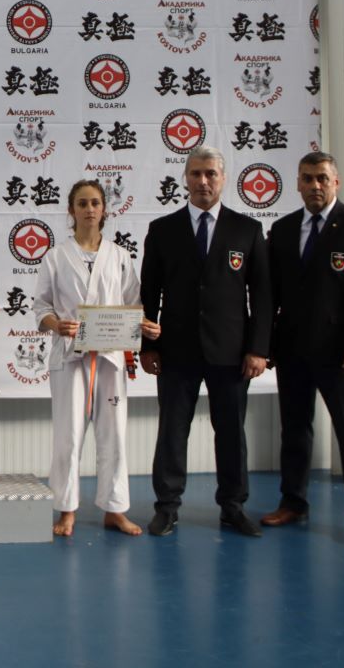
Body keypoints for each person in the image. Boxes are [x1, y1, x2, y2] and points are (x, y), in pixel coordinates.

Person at [140, 146, 272, 537]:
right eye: (196, 173)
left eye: (211, 174)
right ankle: (167, 507)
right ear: (185, 178)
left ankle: (233, 507)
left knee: (231, 433)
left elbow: (262, 296)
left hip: (231, 353)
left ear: (223, 179)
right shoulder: (162, 230)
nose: (203, 181)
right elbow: (149, 293)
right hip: (176, 350)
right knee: (172, 432)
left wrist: (258, 349)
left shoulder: (247, 230)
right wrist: (147, 347)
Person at [261, 152, 344, 544]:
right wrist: (267, 345)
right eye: (307, 179)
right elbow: (270, 295)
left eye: (322, 178)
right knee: (295, 430)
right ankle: (293, 502)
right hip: (293, 349)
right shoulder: (283, 230)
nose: (315, 185)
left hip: (342, 354)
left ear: (336, 182)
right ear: (298, 184)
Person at [35, 179, 160, 537]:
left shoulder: (119, 256)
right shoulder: (55, 257)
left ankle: (114, 509)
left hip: (110, 357)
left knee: (114, 434)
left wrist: (144, 326)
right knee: (68, 435)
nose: (89, 209)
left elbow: (133, 304)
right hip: (70, 357)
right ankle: (67, 510)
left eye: (95, 203)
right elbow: (41, 307)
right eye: (82, 203)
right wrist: (57, 324)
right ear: (71, 210)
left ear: (104, 209)